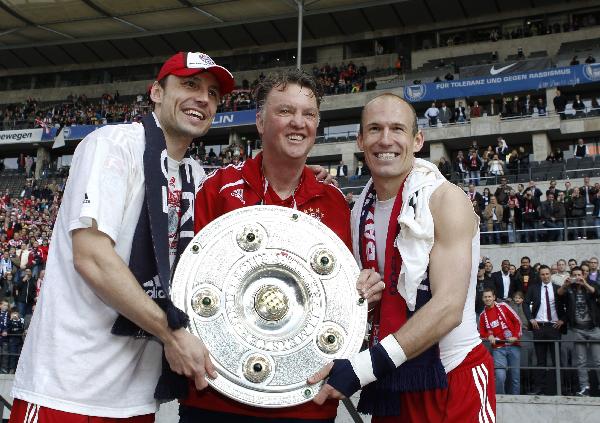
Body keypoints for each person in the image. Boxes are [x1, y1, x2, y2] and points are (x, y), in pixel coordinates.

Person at [10, 52, 236, 422]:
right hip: (68, 389)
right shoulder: (113, 144)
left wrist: (306, 174)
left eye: (213, 93)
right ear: (156, 93)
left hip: (135, 397)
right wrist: (172, 334)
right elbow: (92, 258)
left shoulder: (195, 175)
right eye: (190, 85)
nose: (203, 98)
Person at [181, 69, 384, 423]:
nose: (298, 123)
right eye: (285, 111)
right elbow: (185, 283)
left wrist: (366, 290)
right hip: (216, 397)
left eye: (308, 114)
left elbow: (345, 296)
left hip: (304, 403)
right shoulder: (218, 188)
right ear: (260, 122)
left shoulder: (335, 202)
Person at [310, 93, 495, 422]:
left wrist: (362, 368)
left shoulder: (445, 199)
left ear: (417, 140)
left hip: (452, 374)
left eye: (397, 129)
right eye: (375, 129)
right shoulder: (358, 209)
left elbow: (449, 308)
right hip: (392, 383)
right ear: (360, 140)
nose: (385, 140)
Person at [557, 266, 600, 396]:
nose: (577, 277)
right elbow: (559, 294)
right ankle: (585, 387)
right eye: (574, 275)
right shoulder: (570, 288)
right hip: (577, 329)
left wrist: (584, 283)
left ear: (584, 274)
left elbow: (596, 292)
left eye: (579, 274)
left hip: (593, 328)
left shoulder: (591, 284)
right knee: (581, 361)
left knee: (598, 360)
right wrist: (565, 284)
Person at [524, 265, 566, 395]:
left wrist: (563, 320)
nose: (545, 276)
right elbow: (525, 303)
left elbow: (568, 304)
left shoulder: (558, 288)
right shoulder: (533, 288)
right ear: (539, 275)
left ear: (551, 274)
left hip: (554, 327)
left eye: (547, 274)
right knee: (540, 360)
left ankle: (559, 389)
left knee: (557, 359)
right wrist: (531, 319)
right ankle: (539, 389)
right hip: (539, 327)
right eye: (543, 274)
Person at [479, 288, 522, 395]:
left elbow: (517, 321)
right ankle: (500, 400)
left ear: (494, 297)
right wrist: (489, 336)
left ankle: (515, 400)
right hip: (498, 349)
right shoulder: (482, 315)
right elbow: (481, 333)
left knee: (515, 376)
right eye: (485, 297)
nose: (487, 299)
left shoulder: (503, 306)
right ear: (482, 299)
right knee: (500, 376)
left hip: (513, 345)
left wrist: (516, 336)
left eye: (489, 296)